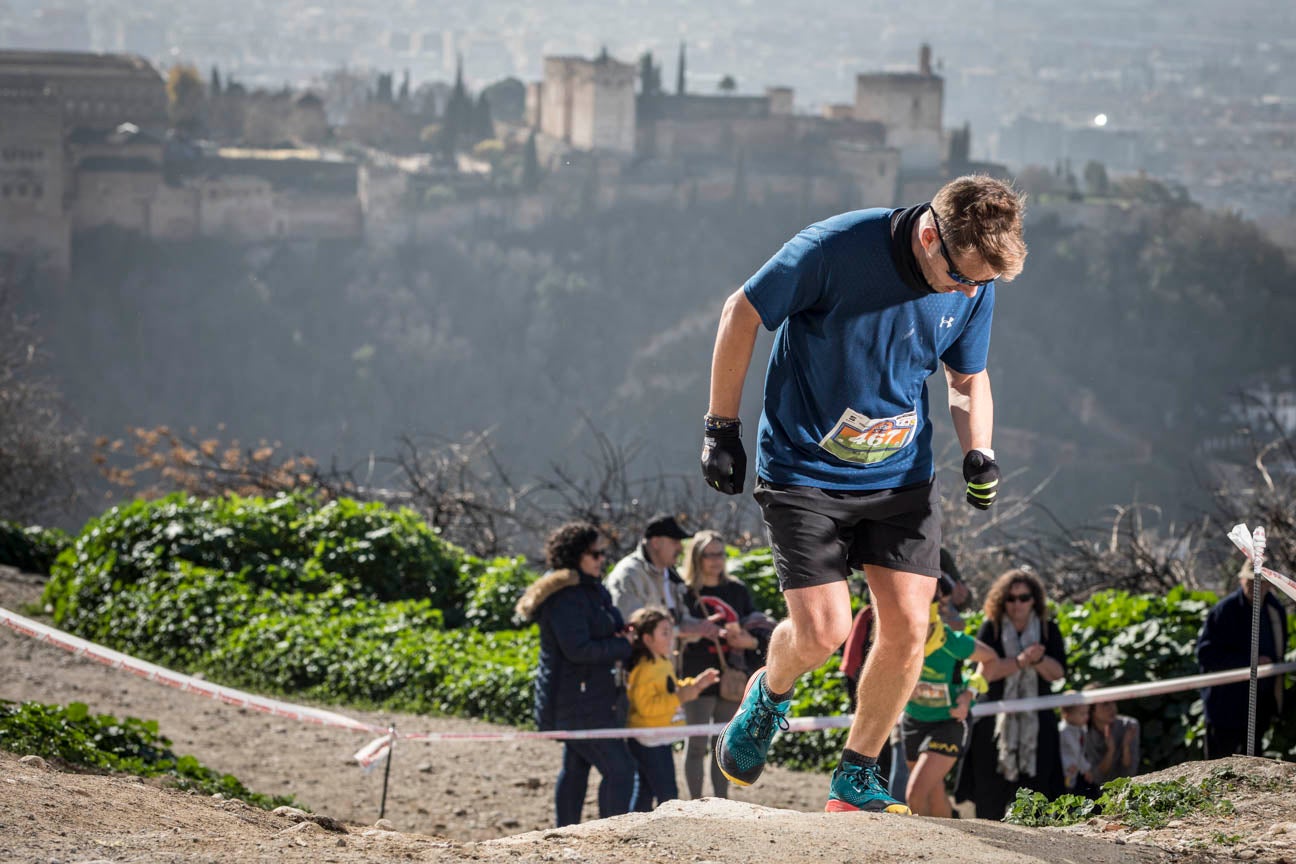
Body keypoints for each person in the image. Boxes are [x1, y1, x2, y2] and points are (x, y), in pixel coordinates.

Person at [701, 175, 1028, 814]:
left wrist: (977, 449)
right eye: (963, 276)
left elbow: (967, 376)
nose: (970, 291)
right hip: (804, 470)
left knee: (910, 626)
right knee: (824, 633)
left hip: (900, 477)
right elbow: (741, 312)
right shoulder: (834, 249)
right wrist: (720, 427)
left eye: (982, 283)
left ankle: (856, 776)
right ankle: (769, 694)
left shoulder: (974, 282)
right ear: (931, 236)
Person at [515, 521, 636, 827]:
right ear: (576, 556)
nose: (601, 560)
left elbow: (599, 633)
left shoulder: (591, 589)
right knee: (620, 771)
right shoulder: (566, 597)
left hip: (590, 697)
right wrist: (622, 644)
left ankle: (565, 833)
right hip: (575, 701)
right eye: (595, 554)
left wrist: (621, 634)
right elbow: (578, 650)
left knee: (577, 765)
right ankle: (610, 837)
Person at [957, 569, 1067, 819]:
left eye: (1024, 597)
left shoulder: (1049, 630)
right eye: (1011, 598)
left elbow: (1058, 673)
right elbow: (984, 673)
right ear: (1001, 600)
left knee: (1038, 792)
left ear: (1034, 600)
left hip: (1037, 725)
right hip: (993, 725)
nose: (1017, 604)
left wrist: (1037, 660)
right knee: (990, 796)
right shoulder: (990, 629)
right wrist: (1019, 661)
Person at [901, 579, 999, 817]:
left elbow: (990, 659)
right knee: (933, 791)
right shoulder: (899, 640)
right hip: (914, 721)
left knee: (915, 793)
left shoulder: (952, 642)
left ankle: (924, 845)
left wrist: (968, 695)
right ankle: (953, 836)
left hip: (949, 722)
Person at [678, 529, 761, 799]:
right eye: (709, 554)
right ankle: (694, 802)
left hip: (732, 675)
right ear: (696, 557)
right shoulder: (685, 592)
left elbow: (756, 627)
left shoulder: (736, 589)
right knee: (697, 743)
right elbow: (675, 630)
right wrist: (701, 632)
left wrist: (746, 640)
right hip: (695, 674)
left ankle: (720, 801)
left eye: (720, 554)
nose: (716, 560)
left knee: (723, 743)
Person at [626, 606, 720, 810]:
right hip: (649, 738)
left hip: (659, 734)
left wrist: (695, 685)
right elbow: (646, 707)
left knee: (645, 789)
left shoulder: (661, 662)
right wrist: (680, 697)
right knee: (667, 793)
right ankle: (663, 834)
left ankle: (633, 830)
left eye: (671, 631)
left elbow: (671, 689)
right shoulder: (645, 668)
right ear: (647, 639)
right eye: (665, 633)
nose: (671, 637)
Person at [1196, 562, 1288, 758]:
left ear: (1270, 584)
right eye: (1251, 582)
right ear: (1241, 580)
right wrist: (1248, 662)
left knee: (1253, 763)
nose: (1257, 587)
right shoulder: (1223, 611)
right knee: (1219, 764)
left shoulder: (1275, 611)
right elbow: (1207, 655)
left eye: (1262, 583)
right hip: (1226, 706)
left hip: (1260, 704)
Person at [607, 513, 722, 644]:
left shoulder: (672, 575)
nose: (680, 548)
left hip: (667, 663)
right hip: (640, 663)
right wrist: (679, 631)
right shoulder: (628, 575)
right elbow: (633, 627)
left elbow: (681, 620)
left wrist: (700, 626)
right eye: (675, 542)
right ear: (655, 542)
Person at [1083, 693, 1139, 786]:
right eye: (1105, 704)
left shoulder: (1130, 726)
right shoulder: (1084, 733)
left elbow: (1130, 773)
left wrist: (1126, 747)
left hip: (1127, 787)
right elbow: (1096, 777)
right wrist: (1110, 751)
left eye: (1113, 702)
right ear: (1091, 709)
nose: (1112, 708)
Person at [1058, 701, 1096, 796]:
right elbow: (1076, 751)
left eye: (1087, 713)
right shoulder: (1064, 731)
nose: (1086, 716)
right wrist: (1086, 769)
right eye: (1082, 714)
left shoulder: (1079, 728)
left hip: (1074, 769)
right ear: (1067, 715)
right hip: (1066, 769)